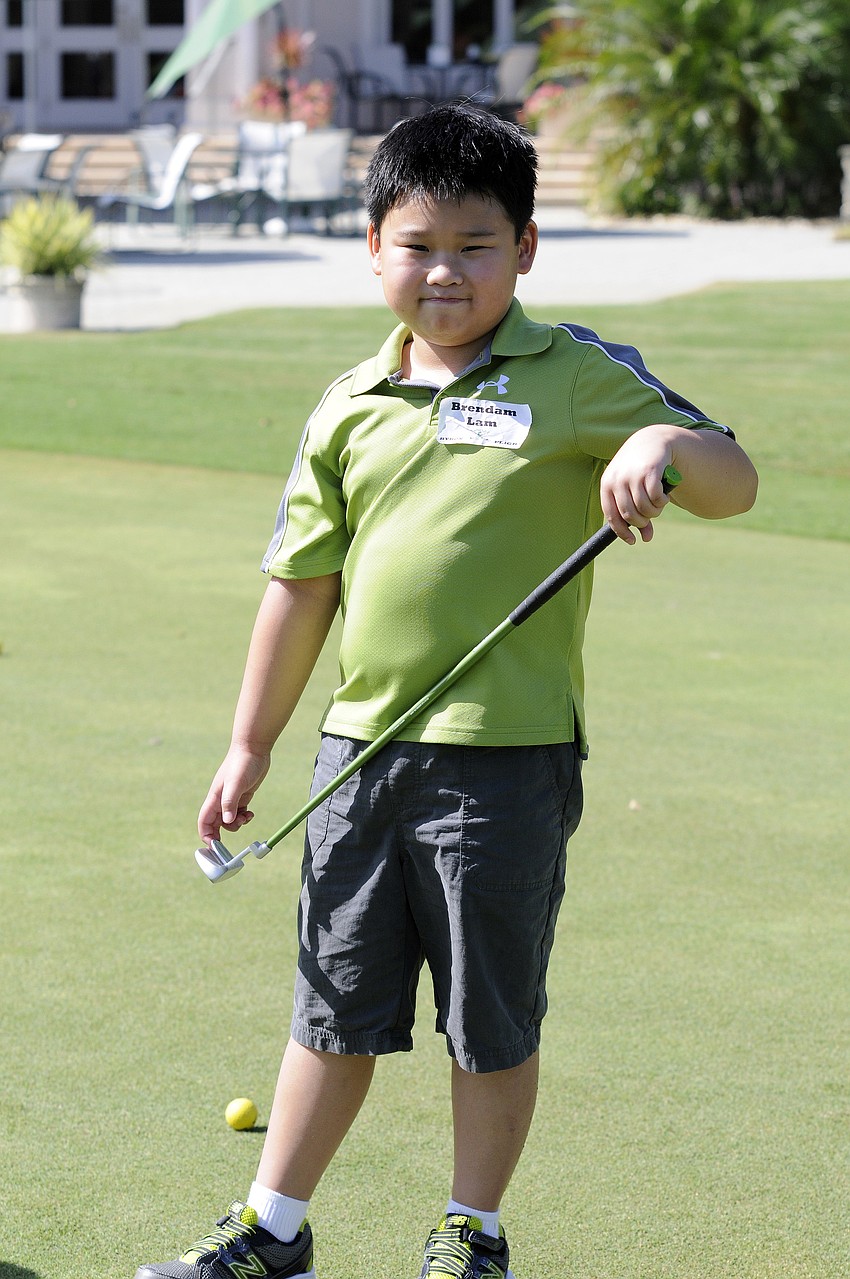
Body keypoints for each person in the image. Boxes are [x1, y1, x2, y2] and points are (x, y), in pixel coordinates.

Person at [134, 105, 757, 1279]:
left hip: (507, 758)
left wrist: (660, 449)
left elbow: (734, 475)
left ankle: (472, 1230)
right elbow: (300, 587)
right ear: (373, 247)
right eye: (418, 244)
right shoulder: (347, 404)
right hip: (356, 754)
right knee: (334, 1001)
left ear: (525, 250)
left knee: (488, 1014)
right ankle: (274, 1229)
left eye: (476, 244)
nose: (444, 272)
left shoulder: (576, 374)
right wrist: (247, 745)